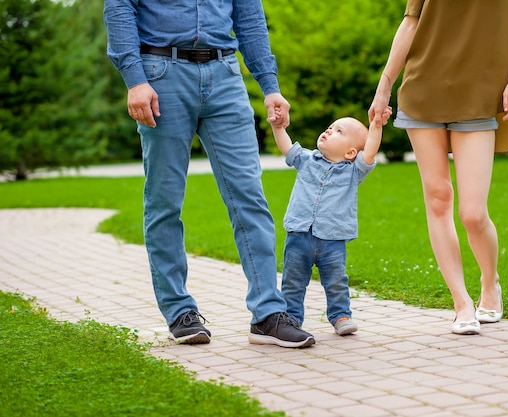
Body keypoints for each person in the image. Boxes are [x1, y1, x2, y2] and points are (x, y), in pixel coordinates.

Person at [103, 0, 315, 348]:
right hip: (161, 74)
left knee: (250, 196)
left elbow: (249, 18)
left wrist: (270, 85)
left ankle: (268, 314)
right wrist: (134, 79)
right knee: (165, 200)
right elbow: (120, 8)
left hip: (225, 75)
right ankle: (179, 310)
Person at [369, 0, 508, 335]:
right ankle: (461, 304)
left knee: (473, 214)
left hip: (478, 92)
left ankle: (490, 285)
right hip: (423, 88)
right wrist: (385, 84)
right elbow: (411, 22)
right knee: (438, 198)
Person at [268, 107, 391, 335]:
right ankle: (292, 318)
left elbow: (371, 150)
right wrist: (278, 127)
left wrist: (376, 125)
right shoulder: (306, 159)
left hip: (332, 240)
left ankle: (340, 316)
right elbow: (287, 147)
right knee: (292, 282)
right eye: (330, 127)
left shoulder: (354, 172)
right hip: (299, 234)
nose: (328, 130)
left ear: (351, 152)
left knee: (336, 282)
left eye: (338, 131)